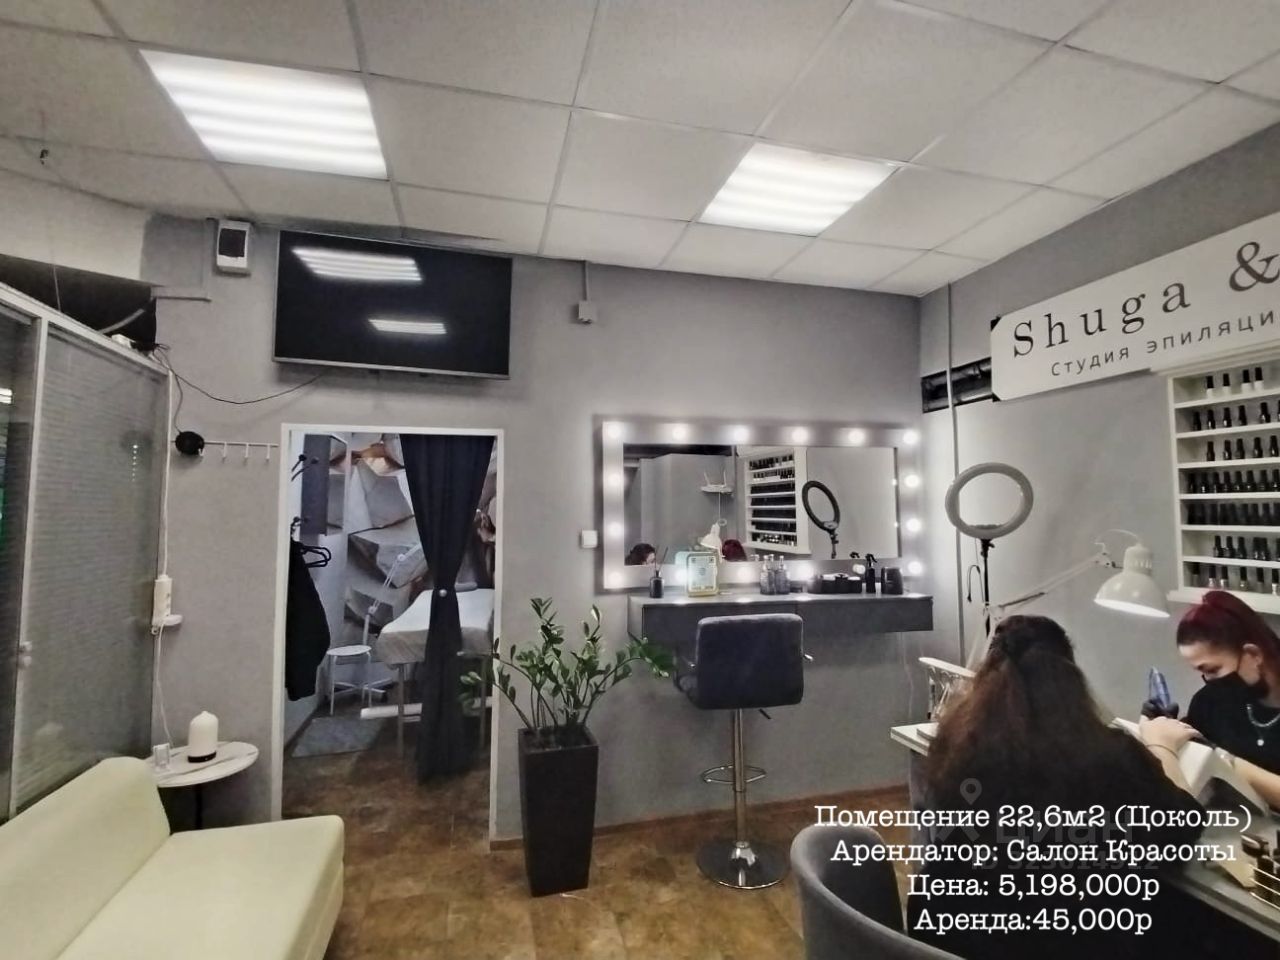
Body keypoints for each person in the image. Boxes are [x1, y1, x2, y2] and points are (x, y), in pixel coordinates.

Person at [909, 615, 1203, 960]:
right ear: (1071, 680)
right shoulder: (1110, 757)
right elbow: (1182, 824)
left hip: (948, 931)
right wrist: (1162, 746)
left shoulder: (956, 747)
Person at [1174, 590, 1280, 807]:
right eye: (1202, 672)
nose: (1209, 681)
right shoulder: (1210, 704)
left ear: (1253, 654)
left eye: (1213, 670)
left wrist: (1228, 763)